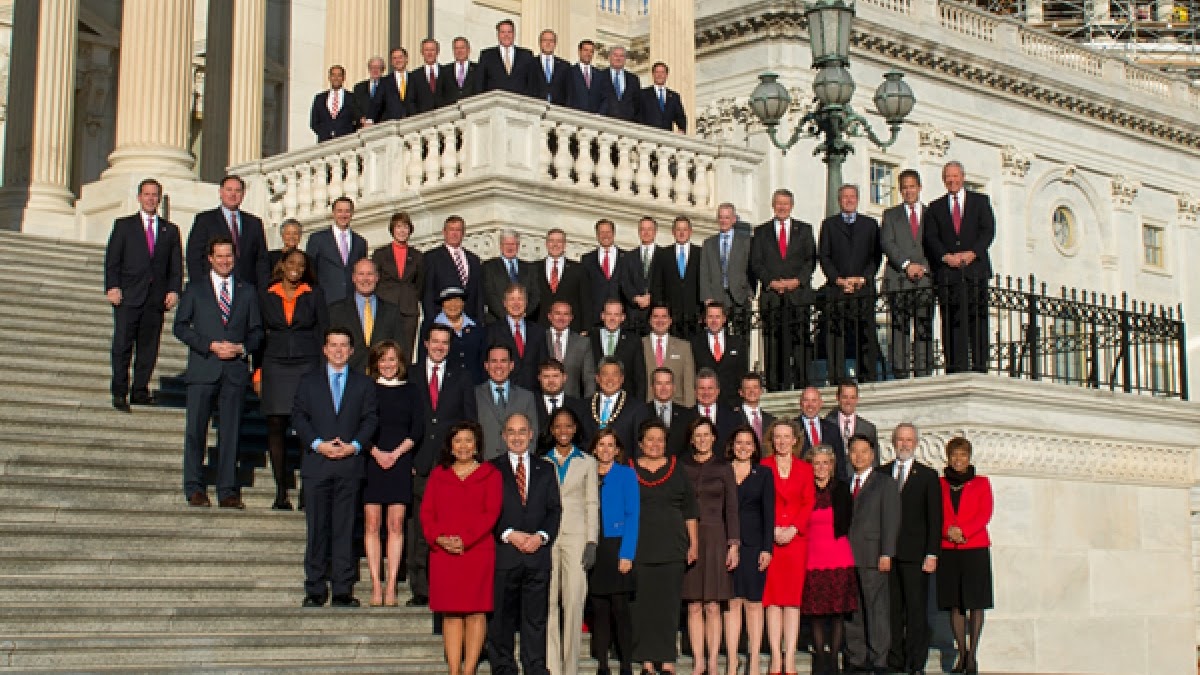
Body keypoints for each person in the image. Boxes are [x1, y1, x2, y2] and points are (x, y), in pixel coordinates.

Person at [174, 236, 263, 508]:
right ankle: (194, 487)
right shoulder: (196, 289)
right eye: (220, 256)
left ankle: (227, 489)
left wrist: (241, 348)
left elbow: (257, 331)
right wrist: (209, 345)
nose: (225, 261)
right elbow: (180, 327)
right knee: (196, 431)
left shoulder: (247, 291)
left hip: (234, 371)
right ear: (210, 258)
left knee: (231, 432)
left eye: (229, 256)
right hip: (204, 368)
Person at [292, 327, 378, 608]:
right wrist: (318, 444)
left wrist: (354, 445)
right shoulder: (308, 382)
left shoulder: (363, 384)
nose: (339, 350)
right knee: (317, 528)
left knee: (344, 528)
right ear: (325, 349)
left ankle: (342, 588)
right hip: (318, 464)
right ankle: (315, 587)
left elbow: (370, 420)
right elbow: (300, 418)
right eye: (333, 345)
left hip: (349, 465)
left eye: (344, 345)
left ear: (352, 351)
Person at [421, 421, 502, 675]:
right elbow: (427, 513)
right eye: (458, 441)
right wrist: (440, 539)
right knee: (451, 614)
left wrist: (465, 540)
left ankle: (470, 670)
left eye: (468, 440)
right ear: (451, 446)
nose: (463, 446)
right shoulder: (439, 475)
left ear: (477, 444)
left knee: (476, 612)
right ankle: (454, 670)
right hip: (444, 554)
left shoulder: (491, 474)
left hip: (477, 552)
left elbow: (491, 513)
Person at [409, 323, 480, 608]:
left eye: (444, 343)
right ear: (425, 343)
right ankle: (420, 588)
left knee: (449, 527)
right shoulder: (412, 374)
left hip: (450, 466)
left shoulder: (461, 377)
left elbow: (469, 421)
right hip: (419, 462)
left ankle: (444, 584)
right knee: (420, 529)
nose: (439, 347)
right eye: (435, 341)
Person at [489, 412, 562, 675]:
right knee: (502, 619)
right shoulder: (492, 469)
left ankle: (534, 666)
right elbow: (487, 511)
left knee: (535, 619)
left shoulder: (546, 468)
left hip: (537, 556)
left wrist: (541, 537)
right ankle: (504, 666)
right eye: (512, 431)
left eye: (522, 431)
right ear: (503, 436)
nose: (517, 437)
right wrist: (509, 534)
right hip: (505, 555)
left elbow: (554, 509)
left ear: (531, 435)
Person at [257, 248, 327, 510]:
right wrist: (258, 372)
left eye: (301, 264)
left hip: (306, 364)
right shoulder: (267, 295)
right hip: (274, 363)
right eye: (291, 263)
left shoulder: (314, 294)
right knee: (276, 425)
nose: (296, 268)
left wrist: (323, 372)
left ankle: (307, 491)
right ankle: (280, 490)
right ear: (282, 266)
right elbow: (259, 336)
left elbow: (323, 333)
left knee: (305, 428)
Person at [104, 178, 182, 411]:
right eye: (146, 194)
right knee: (122, 346)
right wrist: (112, 287)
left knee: (149, 347)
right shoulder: (124, 225)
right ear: (139, 197)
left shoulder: (170, 230)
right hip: (128, 296)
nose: (150, 199)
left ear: (160, 199)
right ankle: (120, 391)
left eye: (155, 195)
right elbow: (112, 261)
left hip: (155, 298)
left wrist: (174, 290)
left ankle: (140, 390)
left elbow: (176, 266)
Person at [629, 419, 699, 674]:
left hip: (672, 546)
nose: (655, 444)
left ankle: (667, 658)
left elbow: (689, 509)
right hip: (640, 546)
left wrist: (694, 543)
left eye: (660, 440)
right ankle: (647, 660)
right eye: (650, 439)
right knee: (644, 605)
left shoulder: (676, 468)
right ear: (640, 443)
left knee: (668, 605)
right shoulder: (629, 469)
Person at [363, 340, 423, 607]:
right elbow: (358, 424)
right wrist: (376, 453)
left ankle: (391, 587)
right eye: (383, 360)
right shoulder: (366, 389)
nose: (388, 365)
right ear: (375, 363)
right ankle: (376, 584)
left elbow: (417, 428)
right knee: (373, 524)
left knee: (396, 524)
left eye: (392, 360)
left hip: (399, 459)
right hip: (371, 459)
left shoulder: (412, 391)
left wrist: (396, 454)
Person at [881, 423, 942, 675]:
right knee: (892, 610)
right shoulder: (882, 473)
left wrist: (932, 553)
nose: (904, 444)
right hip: (888, 555)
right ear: (893, 442)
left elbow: (934, 518)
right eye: (900, 439)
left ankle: (916, 662)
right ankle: (895, 659)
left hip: (916, 556)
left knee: (916, 610)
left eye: (909, 440)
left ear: (916, 443)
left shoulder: (928, 476)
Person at [681, 417, 740, 675]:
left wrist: (734, 544)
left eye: (707, 434)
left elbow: (732, 508)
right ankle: (698, 661)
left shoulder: (724, 468)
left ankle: (714, 661)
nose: (702, 439)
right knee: (693, 604)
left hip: (717, 537)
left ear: (714, 438)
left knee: (714, 605)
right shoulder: (682, 467)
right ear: (692, 439)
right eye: (698, 435)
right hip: (689, 537)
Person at [923, 160, 995, 374]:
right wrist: (946, 257)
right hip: (948, 273)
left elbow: (988, 230)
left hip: (975, 269)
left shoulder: (980, 201)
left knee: (978, 318)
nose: (952, 180)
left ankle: (980, 365)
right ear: (944, 180)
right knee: (951, 320)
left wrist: (972, 253)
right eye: (948, 177)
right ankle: (954, 365)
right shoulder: (935, 207)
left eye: (955, 176)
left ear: (963, 177)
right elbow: (931, 237)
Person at [543, 407, 599, 675]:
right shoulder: (543, 462)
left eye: (568, 426)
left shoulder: (587, 462)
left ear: (575, 429)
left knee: (574, 601)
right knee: (549, 601)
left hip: (577, 537)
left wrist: (592, 541)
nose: (563, 431)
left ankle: (570, 667)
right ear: (552, 430)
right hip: (549, 537)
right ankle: (552, 666)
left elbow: (591, 503)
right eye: (558, 427)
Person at [760, 419, 816, 675]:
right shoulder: (763, 466)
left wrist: (793, 528)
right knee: (772, 602)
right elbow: (759, 503)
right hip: (770, 540)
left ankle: (790, 658)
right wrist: (771, 529)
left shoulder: (805, 469)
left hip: (796, 541)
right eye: (777, 437)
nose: (782, 442)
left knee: (791, 603)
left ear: (795, 440)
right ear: (772, 440)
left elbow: (808, 501)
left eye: (786, 437)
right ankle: (775, 657)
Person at [844, 434, 901, 675]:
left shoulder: (885, 483)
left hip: (873, 554)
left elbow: (891, 520)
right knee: (852, 609)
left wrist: (887, 552)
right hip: (846, 556)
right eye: (854, 451)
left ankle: (879, 659)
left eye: (864, 451)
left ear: (873, 454)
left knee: (876, 609)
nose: (859, 456)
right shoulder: (845, 482)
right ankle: (856, 657)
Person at [801, 444, 859, 675]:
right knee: (816, 614)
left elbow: (848, 520)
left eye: (826, 463)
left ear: (832, 466)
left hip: (838, 555)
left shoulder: (842, 489)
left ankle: (834, 659)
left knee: (837, 613)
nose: (821, 467)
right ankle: (820, 658)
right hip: (812, 556)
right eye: (817, 463)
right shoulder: (805, 489)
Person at [751, 189, 817, 391]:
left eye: (785, 203)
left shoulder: (804, 230)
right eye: (778, 203)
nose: (782, 207)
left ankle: (801, 383)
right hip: (772, 296)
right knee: (773, 343)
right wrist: (772, 282)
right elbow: (756, 262)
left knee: (799, 342)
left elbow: (811, 260)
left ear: (791, 206)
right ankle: (774, 384)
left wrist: (797, 281)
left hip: (797, 295)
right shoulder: (761, 231)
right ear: (773, 205)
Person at [938, 437, 993, 675]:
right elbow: (934, 512)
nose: (958, 460)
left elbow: (985, 512)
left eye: (962, 455)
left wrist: (965, 532)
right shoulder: (939, 483)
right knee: (955, 604)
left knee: (975, 603)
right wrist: (948, 531)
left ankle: (972, 655)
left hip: (975, 548)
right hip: (949, 550)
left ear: (969, 457)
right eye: (954, 455)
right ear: (948, 457)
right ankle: (961, 652)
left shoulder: (982, 483)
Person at [817, 184, 882, 382]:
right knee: (836, 334)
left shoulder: (870, 224)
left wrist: (863, 278)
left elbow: (876, 256)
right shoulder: (829, 225)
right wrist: (838, 279)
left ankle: (867, 375)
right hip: (838, 288)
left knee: (865, 333)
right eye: (845, 197)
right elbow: (824, 256)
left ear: (858, 199)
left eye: (852, 196)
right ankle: (836, 376)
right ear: (839, 200)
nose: (849, 200)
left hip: (862, 287)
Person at [587, 429, 640, 675]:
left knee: (620, 608)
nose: (606, 449)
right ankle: (602, 664)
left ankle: (626, 663)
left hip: (617, 544)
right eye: (602, 445)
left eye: (611, 445)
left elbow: (633, 515)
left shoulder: (626, 474)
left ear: (617, 450)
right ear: (594, 449)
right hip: (594, 544)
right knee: (599, 608)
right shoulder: (587, 473)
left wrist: (627, 553)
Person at [725, 426, 774, 675]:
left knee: (754, 603)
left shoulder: (764, 474)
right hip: (728, 545)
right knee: (732, 603)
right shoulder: (722, 471)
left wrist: (767, 548)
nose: (743, 447)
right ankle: (732, 660)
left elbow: (769, 513)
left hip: (755, 546)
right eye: (738, 442)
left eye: (748, 443)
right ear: (732, 445)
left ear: (754, 448)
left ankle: (753, 659)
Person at [880, 169, 934, 379]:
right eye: (905, 188)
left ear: (919, 188)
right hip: (899, 278)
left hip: (925, 279)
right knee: (899, 327)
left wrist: (923, 267)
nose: (909, 191)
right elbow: (887, 242)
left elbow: (935, 243)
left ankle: (923, 371)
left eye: (912, 186)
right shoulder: (890, 215)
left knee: (924, 325)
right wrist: (906, 264)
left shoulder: (932, 214)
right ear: (900, 190)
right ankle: (900, 372)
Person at [186, 175, 269, 291]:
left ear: (243, 194)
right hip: (213, 289)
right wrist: (200, 287)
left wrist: (262, 290)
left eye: (237, 190)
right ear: (220, 192)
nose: (233, 194)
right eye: (229, 190)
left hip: (246, 290)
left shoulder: (254, 223)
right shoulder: (205, 220)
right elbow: (194, 256)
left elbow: (262, 260)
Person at [328, 259, 400, 374]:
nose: (365, 279)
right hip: (349, 375)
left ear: (377, 277)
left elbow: (399, 347)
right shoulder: (336, 310)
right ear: (353, 278)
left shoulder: (392, 310)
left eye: (370, 274)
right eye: (361, 274)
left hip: (382, 376)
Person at [372, 211, 424, 360]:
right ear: (392, 229)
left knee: (405, 352)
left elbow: (420, 283)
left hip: (408, 310)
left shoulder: (417, 256)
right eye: (399, 227)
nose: (402, 231)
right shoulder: (380, 254)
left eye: (405, 227)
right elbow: (375, 279)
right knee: (384, 348)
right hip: (386, 306)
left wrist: (412, 298)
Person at [475, 344, 539, 460]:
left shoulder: (526, 397)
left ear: (511, 365)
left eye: (503, 361)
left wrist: (521, 464)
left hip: (516, 468)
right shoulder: (474, 395)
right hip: (483, 466)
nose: (499, 366)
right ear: (486, 365)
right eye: (494, 361)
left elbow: (532, 436)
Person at [699, 203, 755, 330]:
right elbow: (704, 271)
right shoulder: (709, 243)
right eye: (721, 217)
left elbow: (751, 268)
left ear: (733, 219)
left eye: (727, 217)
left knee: (741, 336)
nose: (723, 221)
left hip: (739, 296)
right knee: (718, 335)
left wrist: (750, 293)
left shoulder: (746, 242)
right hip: (716, 297)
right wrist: (707, 296)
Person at [305, 196, 367, 305]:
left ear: (352, 214)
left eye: (347, 211)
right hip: (325, 301)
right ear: (333, 213)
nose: (343, 215)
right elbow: (310, 271)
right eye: (340, 211)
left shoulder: (360, 242)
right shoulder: (317, 239)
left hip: (351, 303)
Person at [423, 215, 485, 322]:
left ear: (463, 233)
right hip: (442, 321)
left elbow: (479, 294)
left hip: (470, 322)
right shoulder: (431, 257)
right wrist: (432, 320)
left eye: (458, 230)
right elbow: (427, 293)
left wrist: (480, 321)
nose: (455, 233)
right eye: (451, 230)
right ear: (444, 232)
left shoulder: (474, 259)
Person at [487, 284, 547, 392]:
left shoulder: (538, 331)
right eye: (512, 299)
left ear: (526, 303)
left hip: (533, 393)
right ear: (504, 303)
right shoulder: (492, 331)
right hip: (504, 392)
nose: (516, 303)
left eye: (520, 299)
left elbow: (543, 364)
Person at [423, 286, 487, 385]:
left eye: (457, 300)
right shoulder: (430, 326)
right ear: (442, 304)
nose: (453, 305)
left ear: (463, 303)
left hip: (474, 386)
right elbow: (422, 359)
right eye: (448, 300)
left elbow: (483, 358)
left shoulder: (476, 326)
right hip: (444, 387)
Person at [652, 216, 703, 338]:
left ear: (690, 232)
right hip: (671, 316)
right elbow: (658, 284)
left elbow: (704, 283)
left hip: (694, 315)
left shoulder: (700, 253)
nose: (681, 233)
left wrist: (702, 311)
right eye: (678, 229)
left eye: (684, 229)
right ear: (673, 232)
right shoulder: (663, 254)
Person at [691, 302, 748, 408]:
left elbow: (742, 374)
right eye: (710, 317)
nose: (714, 321)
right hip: (704, 403)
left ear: (724, 319)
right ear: (705, 319)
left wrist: (740, 402)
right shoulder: (695, 343)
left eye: (717, 317)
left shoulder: (737, 343)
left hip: (731, 404)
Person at [533, 228, 589, 332]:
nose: (555, 244)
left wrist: (585, 328)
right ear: (546, 244)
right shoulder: (533, 268)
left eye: (559, 241)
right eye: (551, 241)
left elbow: (585, 300)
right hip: (539, 328)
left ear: (564, 245)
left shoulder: (579, 269)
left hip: (571, 329)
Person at [588, 357, 647, 456]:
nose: (610, 379)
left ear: (622, 379)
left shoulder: (637, 408)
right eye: (605, 374)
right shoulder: (583, 406)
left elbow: (639, 447)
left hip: (623, 467)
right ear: (597, 378)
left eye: (615, 375)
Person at [591, 299, 645, 401]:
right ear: (602, 316)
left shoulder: (633, 340)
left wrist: (639, 405)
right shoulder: (590, 338)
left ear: (623, 317)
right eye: (609, 314)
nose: (612, 318)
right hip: (595, 399)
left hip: (626, 401)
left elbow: (639, 377)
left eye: (616, 315)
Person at [483, 229, 540, 324]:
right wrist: (507, 318)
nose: (510, 247)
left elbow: (535, 295)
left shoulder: (530, 268)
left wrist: (523, 314)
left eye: (513, 244)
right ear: (501, 246)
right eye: (506, 244)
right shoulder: (489, 267)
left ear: (518, 246)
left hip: (525, 321)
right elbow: (490, 295)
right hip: (497, 322)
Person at [535, 359, 593, 452]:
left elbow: (586, 439)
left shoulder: (580, 406)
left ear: (564, 377)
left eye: (555, 376)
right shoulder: (531, 404)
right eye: (546, 377)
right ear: (539, 378)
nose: (551, 381)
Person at [642, 304, 695, 406]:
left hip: (677, 406)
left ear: (670, 320)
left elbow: (688, 383)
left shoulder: (684, 347)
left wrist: (689, 410)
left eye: (664, 316)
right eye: (656, 316)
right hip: (647, 406)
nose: (660, 320)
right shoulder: (639, 345)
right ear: (650, 320)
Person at [545, 300, 596, 399]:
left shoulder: (583, 343)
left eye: (566, 314)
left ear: (571, 318)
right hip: (543, 402)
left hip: (572, 403)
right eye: (557, 313)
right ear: (549, 316)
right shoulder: (539, 339)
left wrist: (589, 404)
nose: (561, 318)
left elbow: (589, 378)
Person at [618, 216, 661, 332]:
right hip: (633, 315)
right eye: (642, 229)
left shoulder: (664, 256)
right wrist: (636, 298)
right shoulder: (628, 257)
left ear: (655, 232)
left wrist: (652, 297)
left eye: (649, 229)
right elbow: (624, 282)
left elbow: (666, 282)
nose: (646, 232)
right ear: (638, 232)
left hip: (656, 315)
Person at [580, 218, 624, 329]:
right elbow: (584, 293)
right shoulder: (587, 259)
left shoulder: (627, 258)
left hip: (620, 321)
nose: (605, 235)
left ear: (613, 233)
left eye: (608, 232)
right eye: (601, 232)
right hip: (595, 321)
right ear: (597, 235)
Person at [797, 386, 848, 482]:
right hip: (802, 485)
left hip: (829, 488)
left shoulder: (833, 429)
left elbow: (840, 464)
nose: (810, 405)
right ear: (800, 403)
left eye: (814, 400)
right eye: (806, 400)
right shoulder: (792, 428)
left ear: (821, 403)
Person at [644, 367, 697, 458]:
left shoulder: (687, 415)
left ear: (674, 387)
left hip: (679, 468)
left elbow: (690, 447)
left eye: (667, 383)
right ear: (652, 387)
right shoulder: (641, 412)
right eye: (659, 383)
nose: (663, 388)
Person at [479, 19, 534, 94]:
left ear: (514, 34)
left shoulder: (526, 55)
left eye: (509, 32)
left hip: (520, 103)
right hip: (495, 103)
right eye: (503, 32)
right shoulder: (486, 55)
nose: (506, 35)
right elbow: (480, 84)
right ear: (498, 35)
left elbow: (531, 83)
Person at [825, 379, 879, 451]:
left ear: (857, 399)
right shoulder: (825, 425)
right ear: (837, 398)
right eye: (845, 397)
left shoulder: (868, 429)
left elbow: (874, 460)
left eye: (852, 397)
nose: (848, 401)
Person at [693, 368, 739, 450]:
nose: (706, 392)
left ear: (718, 391)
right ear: (695, 392)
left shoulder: (733, 417)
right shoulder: (685, 418)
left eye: (710, 388)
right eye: (702, 388)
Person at [310, 65, 357, 141]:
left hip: (346, 142)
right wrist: (324, 133)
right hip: (325, 143)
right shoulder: (319, 98)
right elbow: (314, 123)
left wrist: (350, 134)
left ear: (343, 78)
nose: (336, 78)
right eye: (333, 75)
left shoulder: (352, 98)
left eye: (339, 75)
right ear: (329, 78)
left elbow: (357, 119)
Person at [638, 62, 687, 133]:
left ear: (666, 75)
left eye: (662, 72)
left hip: (667, 138)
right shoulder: (643, 94)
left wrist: (682, 130)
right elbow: (638, 116)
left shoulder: (674, 97)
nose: (660, 75)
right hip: (648, 137)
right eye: (657, 72)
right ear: (653, 74)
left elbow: (681, 117)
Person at [527, 29, 570, 105]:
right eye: (545, 40)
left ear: (555, 44)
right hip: (535, 107)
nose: (548, 43)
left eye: (551, 41)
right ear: (540, 43)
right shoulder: (530, 63)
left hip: (557, 109)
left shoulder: (564, 66)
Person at [599, 45, 640, 122]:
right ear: (609, 57)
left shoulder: (633, 79)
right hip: (604, 123)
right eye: (615, 55)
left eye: (621, 56)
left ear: (625, 59)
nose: (618, 58)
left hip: (627, 125)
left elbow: (637, 104)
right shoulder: (600, 76)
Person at [735, 373, 776, 444]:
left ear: (761, 391)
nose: (752, 391)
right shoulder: (733, 417)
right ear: (741, 392)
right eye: (747, 388)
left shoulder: (771, 420)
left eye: (755, 387)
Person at [566, 39, 605, 113]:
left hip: (595, 119)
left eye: (591, 51)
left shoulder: (600, 75)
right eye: (586, 50)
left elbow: (604, 98)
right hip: (574, 117)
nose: (588, 54)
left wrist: (600, 114)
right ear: (579, 51)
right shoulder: (570, 72)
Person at [441, 36, 481, 104]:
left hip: (473, 109)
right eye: (456, 48)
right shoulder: (444, 70)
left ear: (468, 50)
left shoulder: (478, 69)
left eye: (462, 48)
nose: (459, 51)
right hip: (450, 111)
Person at [410, 38, 444, 114]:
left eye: (432, 50)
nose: (429, 53)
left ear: (437, 52)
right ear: (422, 52)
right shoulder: (414, 76)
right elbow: (411, 101)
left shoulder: (446, 72)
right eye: (426, 50)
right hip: (423, 120)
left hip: (444, 118)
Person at [379, 47, 414, 121]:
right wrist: (370, 119)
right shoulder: (384, 82)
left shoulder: (415, 78)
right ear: (391, 62)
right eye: (394, 58)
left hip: (413, 123)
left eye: (400, 57)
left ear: (406, 59)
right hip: (391, 125)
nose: (398, 60)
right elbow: (377, 103)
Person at [352, 56, 386, 125]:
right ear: (369, 69)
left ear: (382, 70)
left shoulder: (388, 86)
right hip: (363, 127)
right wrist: (361, 119)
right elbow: (355, 107)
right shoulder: (359, 87)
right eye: (372, 67)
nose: (375, 70)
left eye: (378, 68)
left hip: (383, 126)